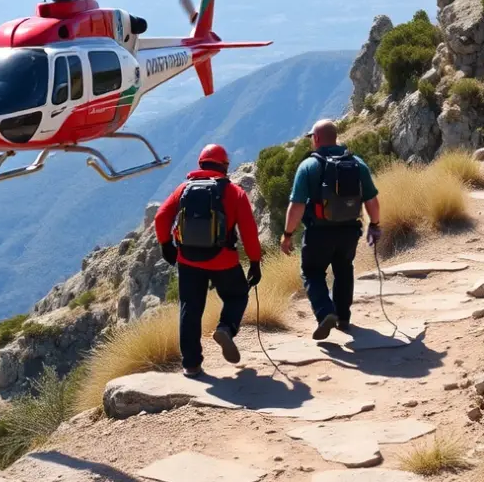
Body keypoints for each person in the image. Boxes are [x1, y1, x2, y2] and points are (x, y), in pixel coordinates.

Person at [156, 144, 263, 378]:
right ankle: (226, 328)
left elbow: (161, 216)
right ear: (225, 166)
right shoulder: (234, 192)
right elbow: (249, 232)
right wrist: (255, 262)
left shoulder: (183, 189)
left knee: (190, 309)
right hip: (223, 260)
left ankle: (191, 365)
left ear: (201, 164)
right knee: (237, 295)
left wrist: (166, 245)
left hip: (188, 261)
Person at [280, 119, 380, 340]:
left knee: (312, 272)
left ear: (316, 139)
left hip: (318, 232)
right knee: (344, 269)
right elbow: (371, 200)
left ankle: (325, 312)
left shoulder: (308, 166)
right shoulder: (357, 163)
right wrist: (374, 225)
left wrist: (287, 235)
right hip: (349, 231)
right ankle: (343, 318)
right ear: (335, 137)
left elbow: (296, 205)